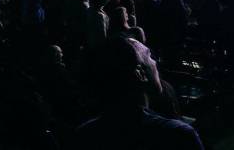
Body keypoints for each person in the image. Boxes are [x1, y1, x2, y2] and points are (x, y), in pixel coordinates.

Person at [76, 37, 204, 149]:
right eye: (149, 56)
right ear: (140, 73)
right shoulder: (178, 136)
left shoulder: (83, 136)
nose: (155, 62)